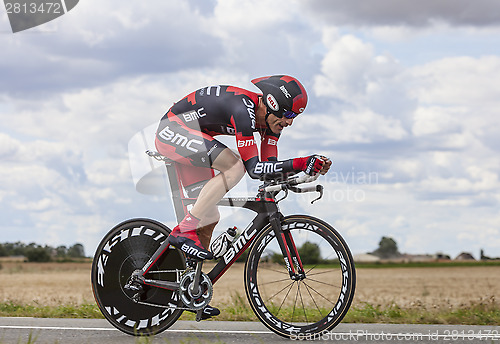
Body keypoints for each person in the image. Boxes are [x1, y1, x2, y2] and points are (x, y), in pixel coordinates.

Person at [155, 75, 331, 260]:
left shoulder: (272, 125)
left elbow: (269, 170)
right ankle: (183, 230)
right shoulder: (243, 110)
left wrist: (308, 170)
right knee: (235, 167)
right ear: (272, 104)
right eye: (288, 114)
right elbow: (254, 169)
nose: (290, 122)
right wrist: (301, 163)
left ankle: (191, 282)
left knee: (208, 218)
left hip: (196, 136)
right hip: (172, 129)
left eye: (294, 117)